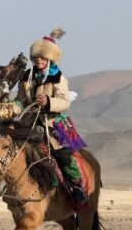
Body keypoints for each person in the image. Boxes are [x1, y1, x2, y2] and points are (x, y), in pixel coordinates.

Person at [15, 28, 89, 206]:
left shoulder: (58, 78)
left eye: (42, 57)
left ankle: (76, 186)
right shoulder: (27, 78)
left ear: (49, 58)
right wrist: (13, 107)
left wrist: (48, 101)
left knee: (62, 155)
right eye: (36, 57)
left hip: (54, 124)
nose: (38, 60)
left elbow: (65, 101)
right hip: (31, 123)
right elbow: (21, 99)